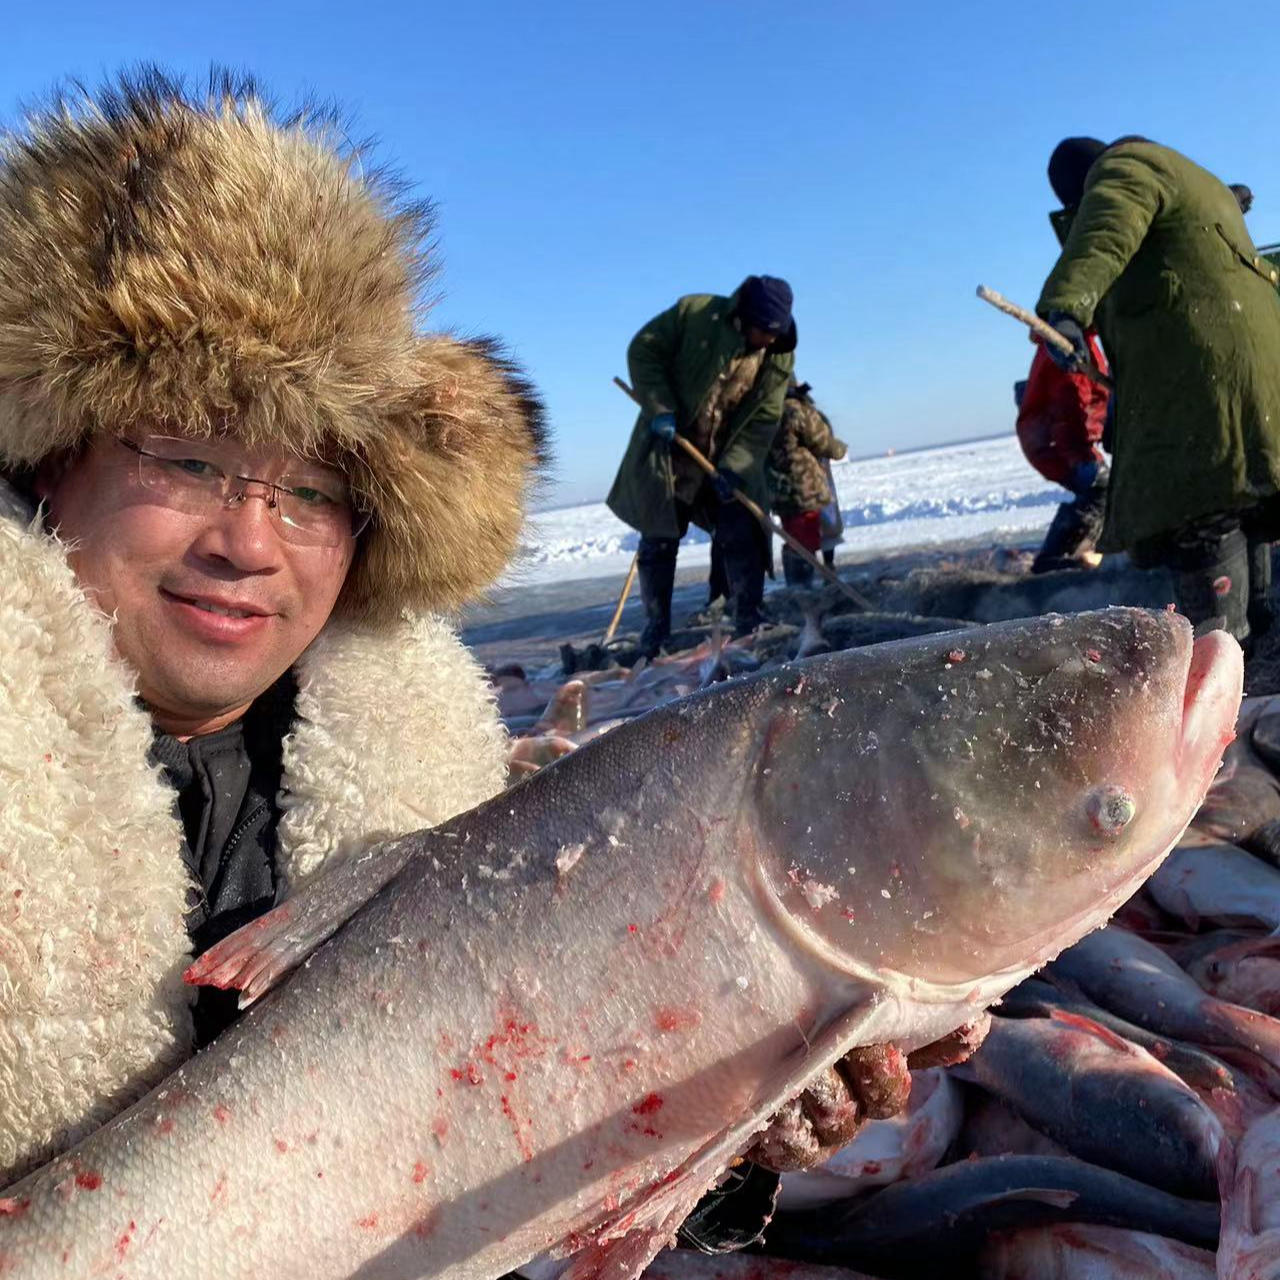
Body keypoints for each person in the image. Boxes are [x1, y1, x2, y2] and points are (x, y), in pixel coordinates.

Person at [0, 70, 984, 1257]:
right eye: (188, 460)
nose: (249, 542)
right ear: (52, 457)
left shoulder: (429, 794)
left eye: (312, 491)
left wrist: (710, 1118)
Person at [1037, 136, 1280, 647]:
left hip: (1200, 371)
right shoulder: (1180, 178)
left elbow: (1106, 228)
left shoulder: (1126, 167)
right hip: (1242, 363)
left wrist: (1066, 305)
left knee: (1198, 500)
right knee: (1241, 493)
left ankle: (1222, 652)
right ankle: (1257, 630)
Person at [607, 277, 797, 656]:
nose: (770, 341)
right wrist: (660, 407)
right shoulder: (695, 314)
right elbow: (644, 351)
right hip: (674, 451)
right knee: (659, 540)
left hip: (727, 456)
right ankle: (656, 628)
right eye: (764, 332)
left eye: (776, 334)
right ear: (745, 318)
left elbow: (764, 415)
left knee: (743, 529)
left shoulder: (778, 353)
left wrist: (736, 466)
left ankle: (749, 619)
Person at [1014, 328, 1110, 573]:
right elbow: (1067, 405)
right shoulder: (1064, 346)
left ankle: (1077, 554)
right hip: (1060, 444)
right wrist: (1079, 455)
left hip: (1065, 441)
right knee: (1101, 490)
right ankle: (1052, 562)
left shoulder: (1080, 341)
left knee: (1102, 491)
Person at [767, 380, 848, 586]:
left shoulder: (764, 410)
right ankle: (802, 592)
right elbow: (824, 443)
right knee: (805, 543)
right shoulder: (795, 410)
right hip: (805, 490)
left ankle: (797, 586)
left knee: (795, 540)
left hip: (779, 492)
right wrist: (840, 449)